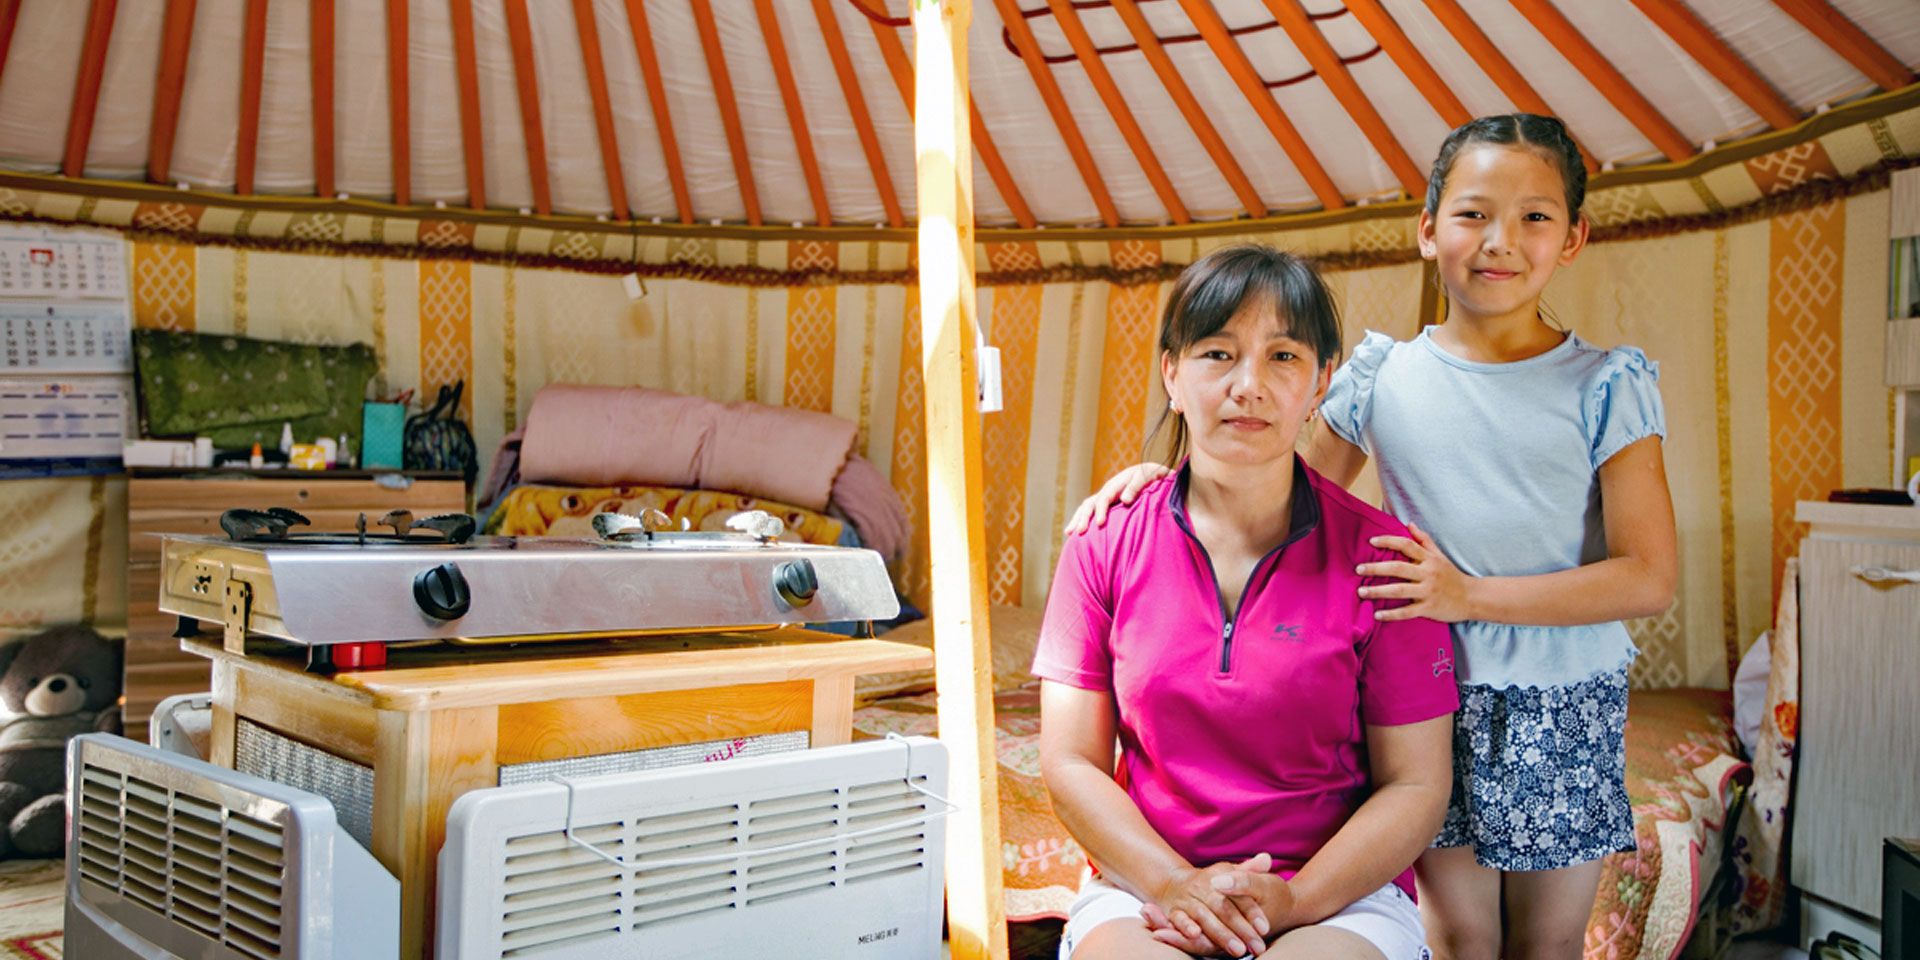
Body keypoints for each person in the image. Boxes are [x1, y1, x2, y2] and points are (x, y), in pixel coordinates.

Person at [1065, 115, 1679, 960]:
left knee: (1547, 940)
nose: (1500, 240)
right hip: (1427, 688)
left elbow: (1649, 577)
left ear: (1574, 237)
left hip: (1556, 694)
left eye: (1534, 217)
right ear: (1427, 230)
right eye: (1472, 214)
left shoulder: (1605, 383)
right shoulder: (1383, 377)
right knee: (1460, 933)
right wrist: (1150, 481)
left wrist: (1467, 595)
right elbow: (1275, 476)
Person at [1036, 244, 1459, 960]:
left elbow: (1417, 783)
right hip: (1146, 886)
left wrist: (1295, 899)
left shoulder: (1384, 560)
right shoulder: (1103, 540)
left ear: (1323, 380)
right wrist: (1173, 884)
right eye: (1217, 354)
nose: (1248, 385)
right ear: (1172, 373)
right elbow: (1071, 761)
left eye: (1283, 357)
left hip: (1336, 897)